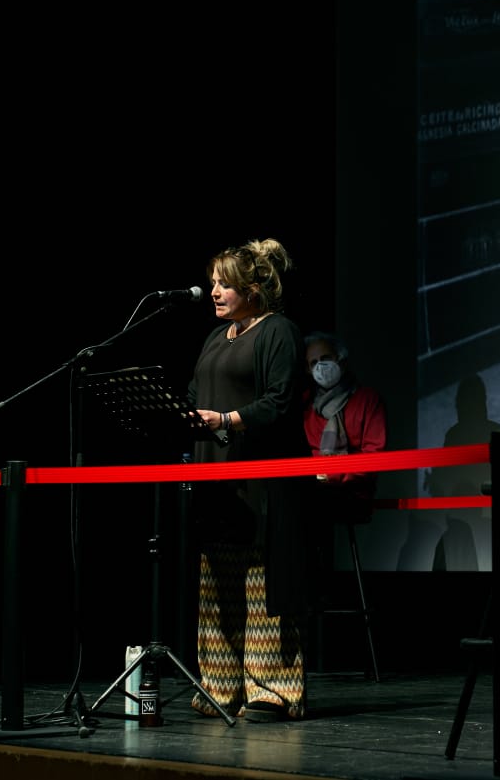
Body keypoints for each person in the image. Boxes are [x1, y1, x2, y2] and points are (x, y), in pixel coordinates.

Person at [185, 238, 312, 722]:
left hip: (261, 480)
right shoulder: (217, 337)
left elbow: (280, 402)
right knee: (217, 581)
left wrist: (226, 419)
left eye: (224, 284)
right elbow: (196, 390)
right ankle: (220, 685)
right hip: (213, 476)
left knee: (261, 583)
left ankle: (271, 690)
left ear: (254, 289)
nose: (213, 291)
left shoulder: (278, 331)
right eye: (214, 282)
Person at [302, 330, 387, 524]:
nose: (320, 366)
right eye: (314, 362)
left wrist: (332, 475)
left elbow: (373, 455)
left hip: (352, 492)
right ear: (307, 369)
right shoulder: (305, 403)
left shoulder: (367, 400)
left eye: (326, 358)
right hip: (313, 489)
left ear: (341, 360)